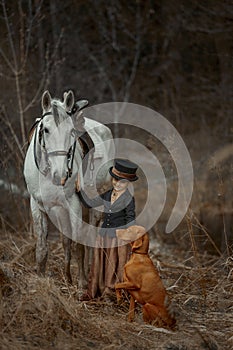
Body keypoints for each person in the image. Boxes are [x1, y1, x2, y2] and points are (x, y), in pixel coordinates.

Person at [75, 158, 138, 300]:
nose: (117, 183)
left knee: (114, 264)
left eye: (121, 181)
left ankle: (112, 293)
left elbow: (130, 217)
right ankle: (97, 289)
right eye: (115, 179)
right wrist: (80, 191)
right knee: (100, 263)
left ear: (128, 183)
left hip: (118, 238)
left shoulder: (128, 199)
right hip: (103, 235)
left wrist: (130, 235)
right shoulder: (108, 194)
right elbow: (90, 203)